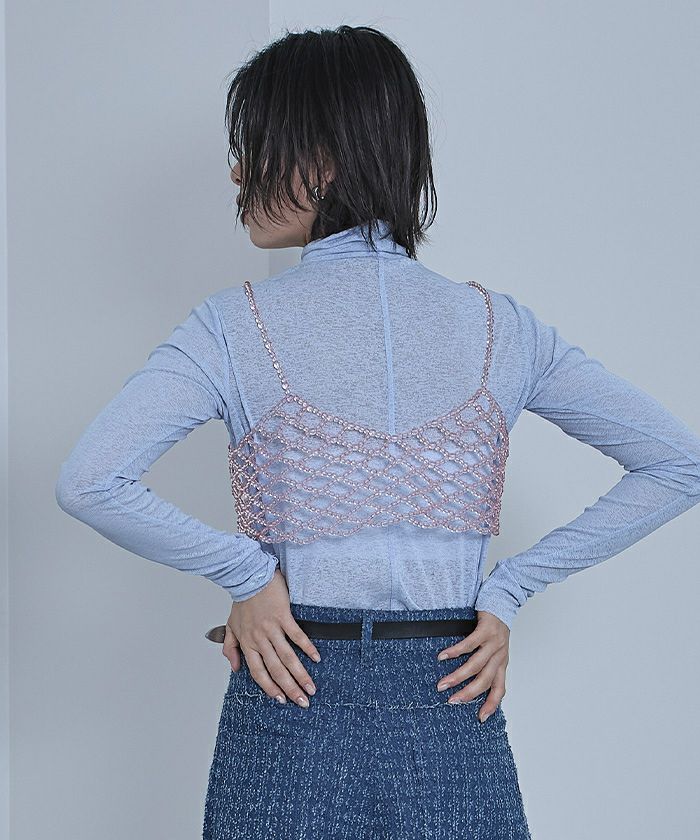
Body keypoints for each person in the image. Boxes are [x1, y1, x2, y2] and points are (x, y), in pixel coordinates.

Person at [55, 24, 700, 840]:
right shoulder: (501, 328)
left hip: (289, 702)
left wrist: (248, 577)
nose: (238, 171)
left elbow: (90, 481)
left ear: (323, 160)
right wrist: (505, 591)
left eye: (257, 144)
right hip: (451, 705)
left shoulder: (230, 327)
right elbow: (678, 464)